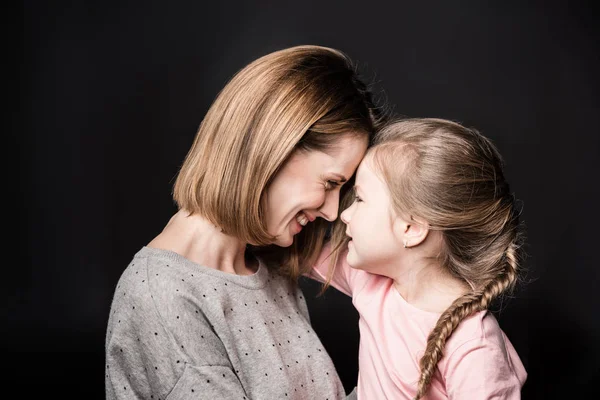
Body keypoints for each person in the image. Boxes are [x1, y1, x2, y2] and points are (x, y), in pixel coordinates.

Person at [105, 45, 384, 399]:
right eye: (330, 183)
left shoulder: (267, 271)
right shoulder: (162, 297)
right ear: (272, 148)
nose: (331, 212)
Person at [310, 118, 528, 399]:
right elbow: (292, 253)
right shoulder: (370, 280)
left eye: (360, 200)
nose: (344, 214)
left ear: (411, 229)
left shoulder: (473, 346)